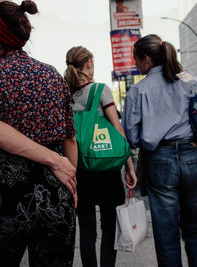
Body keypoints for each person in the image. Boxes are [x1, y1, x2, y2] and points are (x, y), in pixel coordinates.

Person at [0, 1, 78, 266]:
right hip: (55, 190)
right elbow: (70, 138)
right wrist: (72, 180)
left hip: (7, 197)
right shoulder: (52, 75)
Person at [123, 34, 197, 267]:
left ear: (147, 59)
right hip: (194, 157)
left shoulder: (137, 91)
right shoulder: (189, 80)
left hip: (159, 160)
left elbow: (131, 136)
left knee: (166, 235)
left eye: (136, 60)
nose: (136, 65)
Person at [64, 46, 137, 267]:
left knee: (86, 230)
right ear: (88, 63)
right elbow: (118, 130)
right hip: (106, 169)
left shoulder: (63, 92)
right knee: (109, 228)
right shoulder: (100, 90)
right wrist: (130, 166)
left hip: (78, 170)